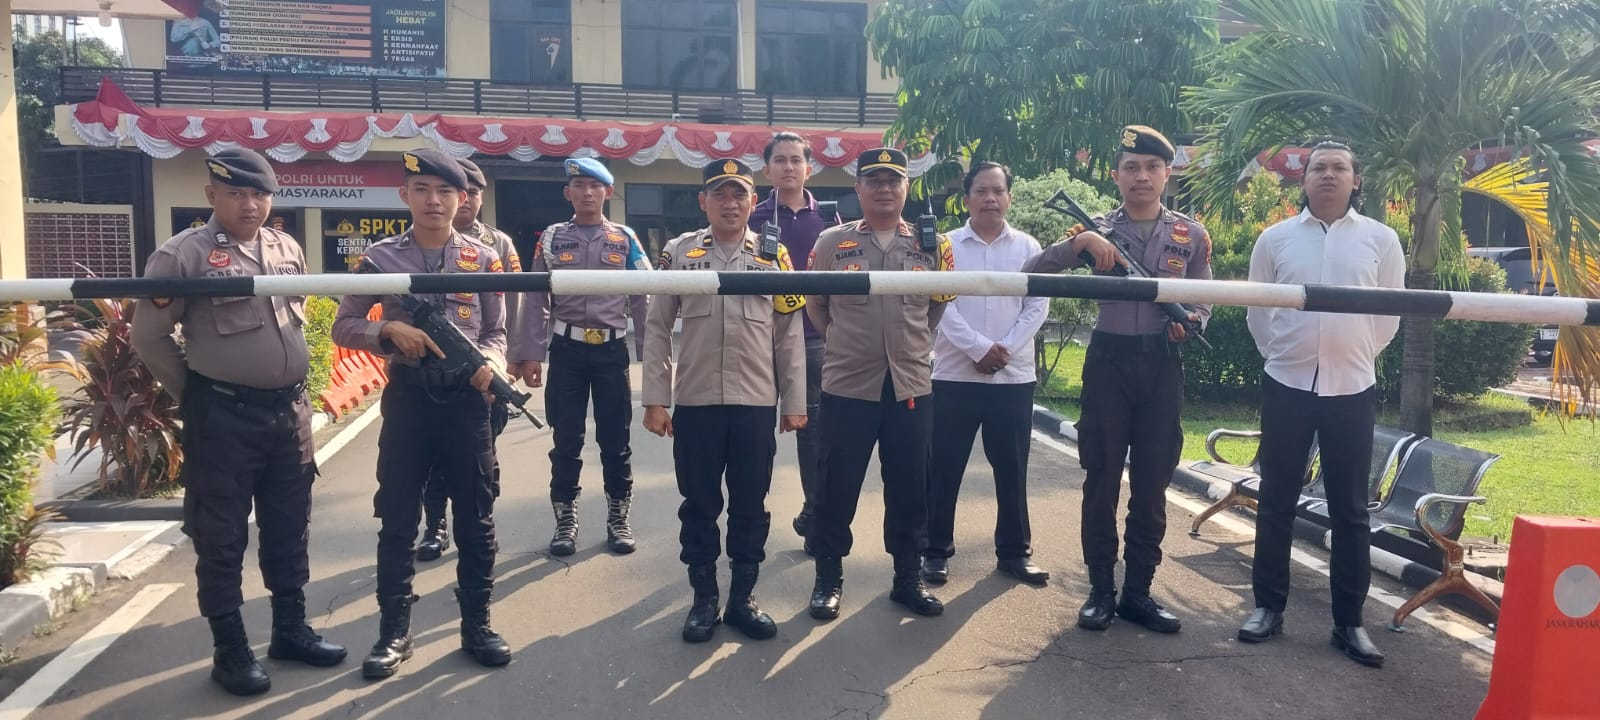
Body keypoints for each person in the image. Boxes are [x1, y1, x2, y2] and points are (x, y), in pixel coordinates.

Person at [131, 148, 345, 697]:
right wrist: (197, 395)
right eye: (236, 193)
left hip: (289, 413)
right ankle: (230, 650)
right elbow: (149, 337)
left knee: (289, 525)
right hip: (223, 416)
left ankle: (290, 630)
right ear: (212, 195)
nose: (249, 204)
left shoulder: (286, 246)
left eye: (259, 194)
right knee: (221, 535)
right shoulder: (182, 255)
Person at [1023, 125, 1213, 634]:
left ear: (1167, 174)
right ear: (1116, 176)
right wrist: (1078, 244)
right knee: (1101, 478)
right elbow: (1033, 269)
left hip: (1161, 365)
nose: (1142, 176)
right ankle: (1101, 590)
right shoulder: (1096, 230)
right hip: (1108, 363)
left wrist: (1192, 321)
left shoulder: (1191, 235)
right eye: (1131, 167)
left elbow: (1204, 295)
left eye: (1152, 167)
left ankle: (1138, 593)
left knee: (1152, 484)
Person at [332, 148, 511, 679]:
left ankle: (477, 625)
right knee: (397, 518)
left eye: (445, 191)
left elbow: (497, 331)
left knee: (476, 519)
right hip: (408, 401)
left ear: (463, 198)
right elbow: (343, 325)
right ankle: (393, 632)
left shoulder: (484, 259)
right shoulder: (379, 259)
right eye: (422, 190)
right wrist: (385, 330)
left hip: (466, 404)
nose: (434, 200)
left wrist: (492, 363)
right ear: (404, 195)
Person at [1239, 141, 1404, 668]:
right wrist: (1282, 354)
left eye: (1339, 168)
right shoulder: (1275, 239)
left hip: (1350, 388)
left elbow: (1389, 316)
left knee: (1351, 510)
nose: (1328, 175)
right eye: (1318, 168)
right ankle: (1267, 607)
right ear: (1304, 179)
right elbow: (1258, 310)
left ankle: (1349, 622)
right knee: (1276, 500)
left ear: (1357, 180)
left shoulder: (1381, 239)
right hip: (1286, 384)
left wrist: (1351, 354)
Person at [643, 159, 808, 642]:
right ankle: (703, 599)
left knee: (751, 505)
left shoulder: (774, 255)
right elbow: (657, 327)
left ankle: (742, 599)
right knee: (698, 504)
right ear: (703, 201)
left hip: (755, 401)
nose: (730, 203)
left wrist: (794, 399)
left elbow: (789, 333)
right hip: (696, 402)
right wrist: (656, 398)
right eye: (720, 193)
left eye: (739, 194)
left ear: (754, 202)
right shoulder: (679, 253)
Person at [804, 147, 955, 621]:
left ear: (906, 187)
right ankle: (828, 579)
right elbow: (816, 305)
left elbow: (937, 305)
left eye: (893, 180)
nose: (884, 189)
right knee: (835, 485)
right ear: (858, 188)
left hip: (910, 384)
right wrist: (848, 343)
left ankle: (907, 579)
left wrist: (908, 345)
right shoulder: (832, 243)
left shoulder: (933, 245)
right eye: (874, 180)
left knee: (911, 486)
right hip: (848, 385)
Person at [511, 157, 652, 557]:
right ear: (567, 192)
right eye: (579, 186)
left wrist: (651, 355)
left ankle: (618, 518)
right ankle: (566, 521)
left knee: (615, 440)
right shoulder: (552, 238)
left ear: (608, 192)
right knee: (566, 440)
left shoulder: (625, 238)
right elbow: (536, 297)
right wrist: (531, 354)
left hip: (611, 351)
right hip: (567, 351)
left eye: (595, 186)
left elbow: (644, 294)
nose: (587, 193)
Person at [922, 162, 1051, 588]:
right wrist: (979, 349)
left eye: (998, 190)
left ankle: (1014, 553)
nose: (990, 198)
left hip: (1012, 379)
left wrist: (1005, 350)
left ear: (1009, 197)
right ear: (966, 199)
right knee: (943, 468)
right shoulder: (946, 246)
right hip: (954, 376)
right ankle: (935, 552)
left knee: (1012, 469)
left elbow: (1037, 305)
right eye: (981, 191)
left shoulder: (1029, 247)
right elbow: (940, 304)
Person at [412, 158, 523, 563]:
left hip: (482, 371)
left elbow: (509, 309)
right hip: (427, 378)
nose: (466, 201)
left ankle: (480, 526)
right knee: (433, 459)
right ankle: (435, 526)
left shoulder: (497, 245)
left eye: (473, 193)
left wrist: (505, 363)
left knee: (482, 456)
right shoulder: (412, 244)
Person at [748, 131, 841, 552]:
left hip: (813, 340)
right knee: (755, 432)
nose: (788, 167)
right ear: (767, 169)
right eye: (780, 160)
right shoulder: (751, 217)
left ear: (809, 168)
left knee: (814, 434)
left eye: (795, 160)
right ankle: (751, 518)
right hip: (759, 341)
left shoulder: (830, 220)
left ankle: (815, 511)